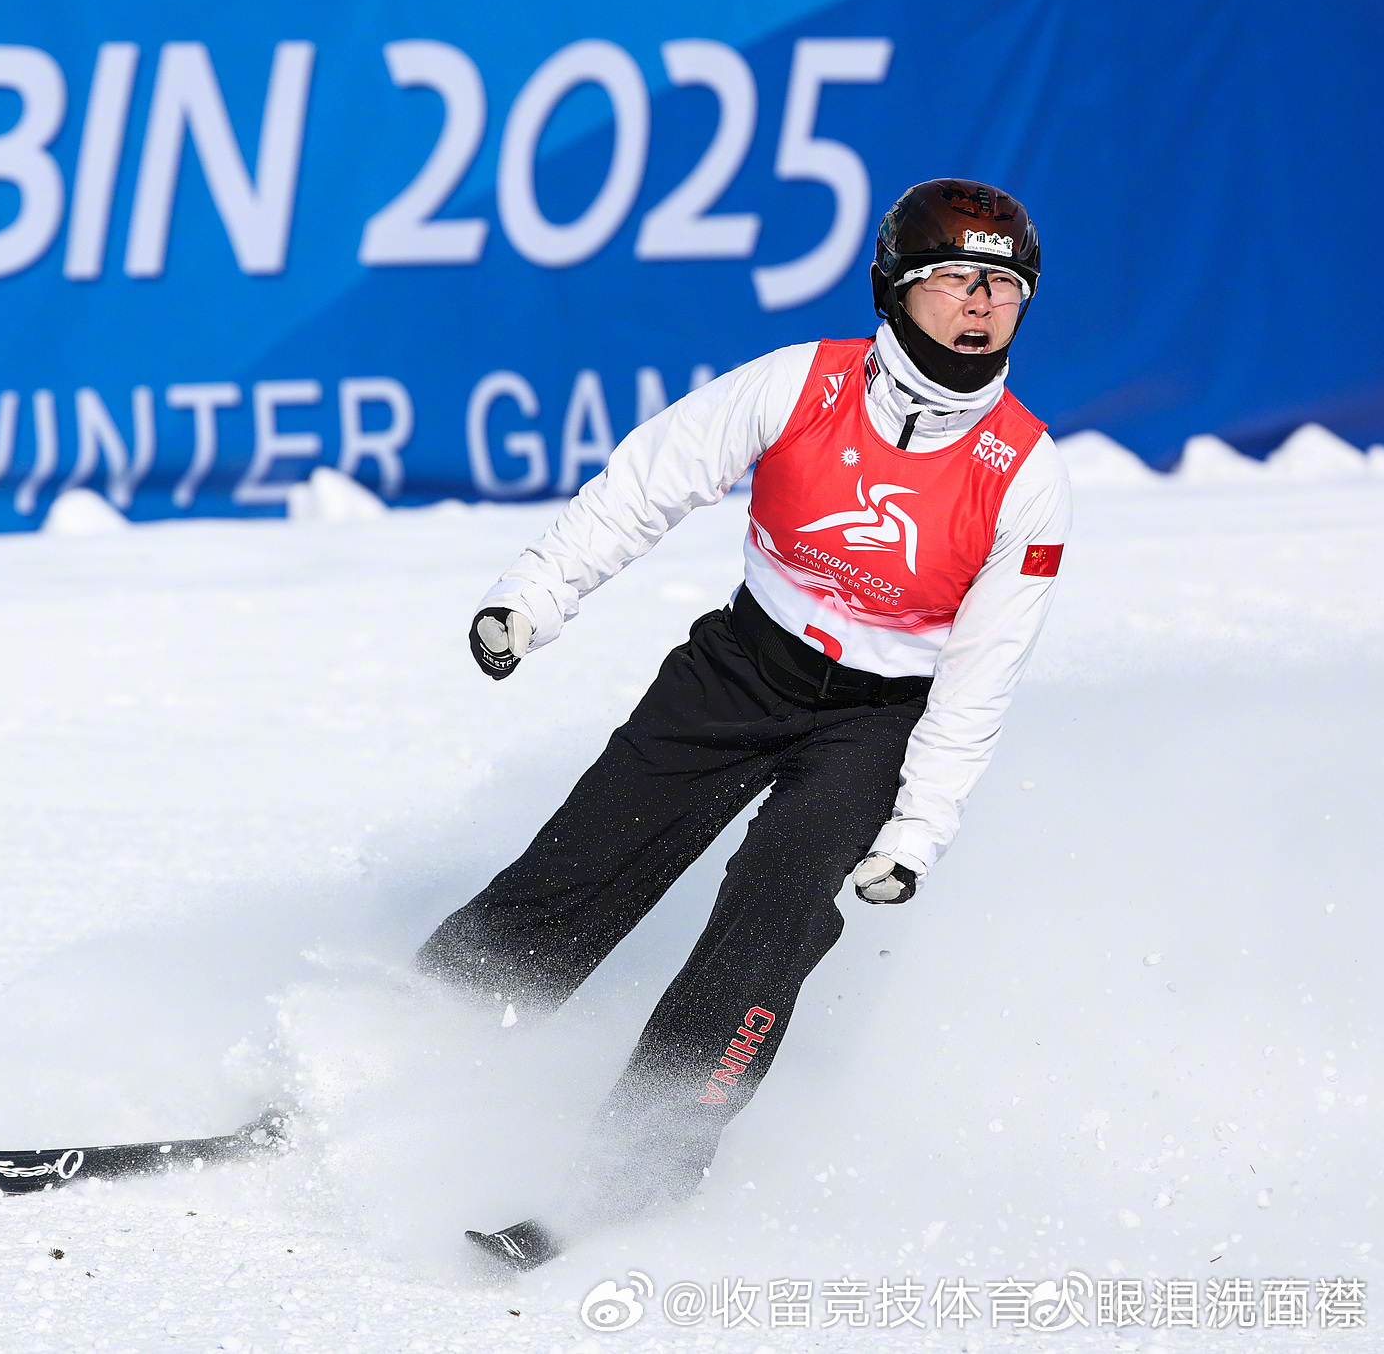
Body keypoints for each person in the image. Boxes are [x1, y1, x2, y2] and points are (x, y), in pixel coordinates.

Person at [419, 179, 1071, 1271]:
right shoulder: (798, 383)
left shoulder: (1025, 474)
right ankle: (399, 1048)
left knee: (765, 925)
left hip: (876, 722)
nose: (978, 303)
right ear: (892, 289)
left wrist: (917, 831)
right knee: (579, 865)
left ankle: (640, 1163)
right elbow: (644, 485)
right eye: (953, 278)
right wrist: (532, 598)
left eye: (1002, 285)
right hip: (739, 668)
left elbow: (981, 671)